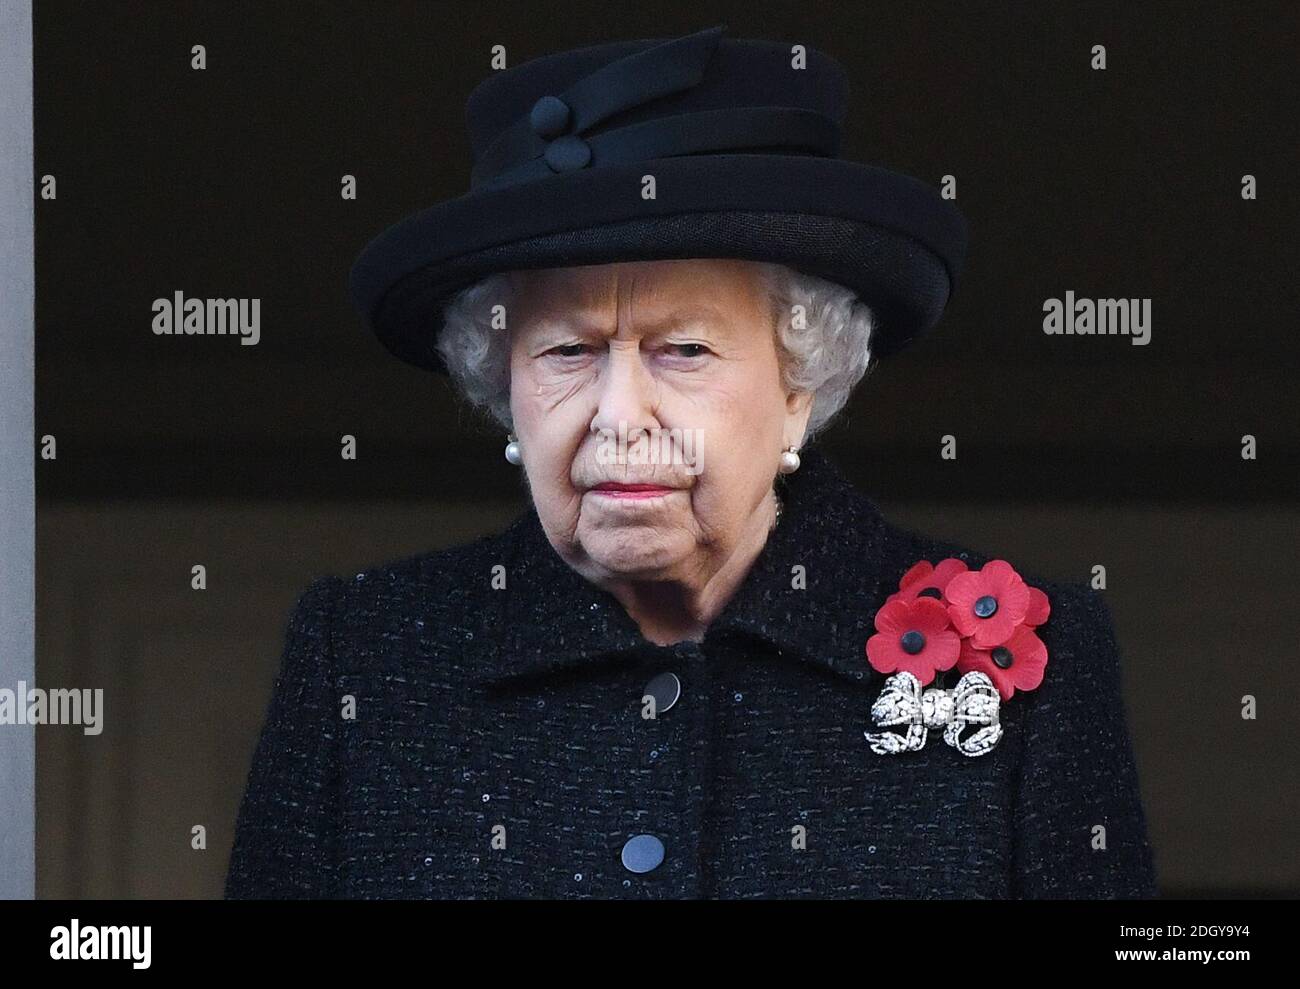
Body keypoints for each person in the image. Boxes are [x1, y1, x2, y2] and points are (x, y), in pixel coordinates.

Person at [226, 25, 1157, 899]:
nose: (621, 416)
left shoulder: (1038, 664)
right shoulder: (365, 657)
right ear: (503, 385)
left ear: (802, 382)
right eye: (567, 352)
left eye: (685, 351)